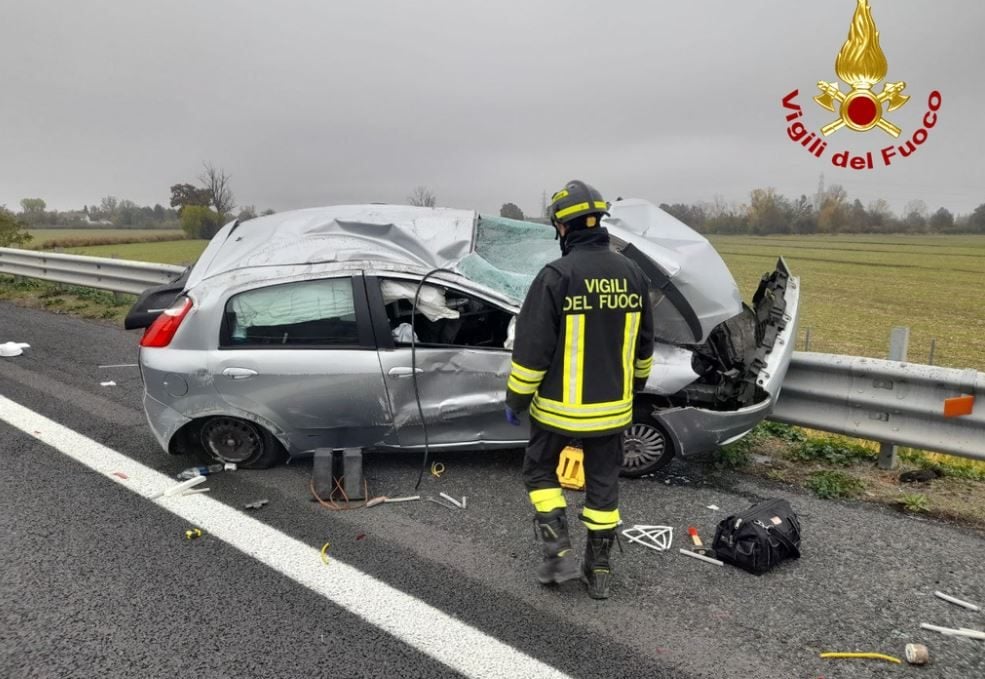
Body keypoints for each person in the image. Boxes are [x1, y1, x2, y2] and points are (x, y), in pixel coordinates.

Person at [505, 180, 655, 599]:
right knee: (603, 483)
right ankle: (600, 568)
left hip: (557, 410)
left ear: (562, 227)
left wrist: (516, 399)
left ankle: (558, 552)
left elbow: (532, 351)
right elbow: (645, 348)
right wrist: (632, 387)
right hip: (613, 411)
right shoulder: (633, 274)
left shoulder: (556, 275)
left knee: (539, 470)